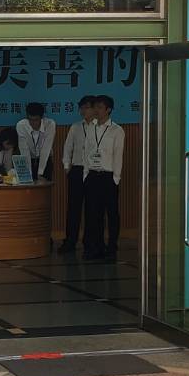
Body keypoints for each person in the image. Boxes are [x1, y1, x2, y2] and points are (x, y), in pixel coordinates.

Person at [81, 95, 126, 260]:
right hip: (92, 175)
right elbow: (87, 151)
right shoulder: (90, 127)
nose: (96, 110)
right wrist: (86, 173)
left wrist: (116, 178)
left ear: (108, 110)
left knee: (112, 214)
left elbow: (118, 155)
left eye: (100, 107)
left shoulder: (117, 130)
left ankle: (112, 247)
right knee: (93, 214)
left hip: (108, 177)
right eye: (95, 107)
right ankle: (96, 247)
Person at [59, 96, 95, 252]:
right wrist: (67, 166)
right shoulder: (75, 127)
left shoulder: (100, 127)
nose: (83, 111)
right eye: (81, 107)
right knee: (73, 208)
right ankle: (70, 241)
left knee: (92, 208)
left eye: (86, 107)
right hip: (77, 169)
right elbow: (68, 147)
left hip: (94, 171)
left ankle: (90, 242)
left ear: (94, 109)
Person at [15, 102, 56, 181]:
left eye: (36, 120)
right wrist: (28, 174)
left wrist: (40, 172)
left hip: (45, 159)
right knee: (28, 184)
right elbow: (24, 150)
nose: (32, 123)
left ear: (42, 118)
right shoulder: (21, 125)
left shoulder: (50, 124)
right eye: (30, 119)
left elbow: (46, 149)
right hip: (29, 159)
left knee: (44, 184)